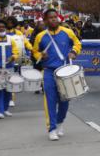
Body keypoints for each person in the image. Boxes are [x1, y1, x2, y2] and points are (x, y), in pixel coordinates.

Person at [33, 9, 81, 141]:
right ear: (45, 20)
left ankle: (60, 123)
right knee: (50, 101)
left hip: (64, 71)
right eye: (50, 18)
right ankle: (52, 128)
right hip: (48, 71)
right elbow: (34, 50)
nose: (53, 19)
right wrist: (40, 55)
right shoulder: (40, 36)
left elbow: (77, 43)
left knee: (64, 102)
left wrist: (74, 52)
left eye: (55, 17)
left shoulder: (67, 32)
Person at [6, 16, 33, 106]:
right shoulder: (3, 33)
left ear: (14, 23)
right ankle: (6, 97)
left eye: (11, 22)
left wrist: (31, 48)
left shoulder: (19, 33)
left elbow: (25, 42)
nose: (9, 24)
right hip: (5, 59)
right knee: (7, 79)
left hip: (16, 58)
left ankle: (11, 98)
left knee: (12, 78)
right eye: (8, 22)